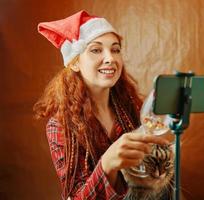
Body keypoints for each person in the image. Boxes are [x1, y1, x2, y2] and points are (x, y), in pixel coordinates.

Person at [33, 10, 169, 200]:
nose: (110, 58)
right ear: (74, 63)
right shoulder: (60, 127)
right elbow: (76, 196)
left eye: (115, 49)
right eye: (96, 50)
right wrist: (107, 164)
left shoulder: (133, 108)